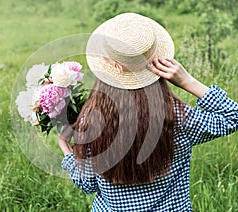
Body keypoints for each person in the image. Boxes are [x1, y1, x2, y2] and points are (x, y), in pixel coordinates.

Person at [57, 13, 238, 211]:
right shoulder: (178, 118)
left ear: (109, 69)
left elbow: (89, 184)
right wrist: (188, 82)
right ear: (159, 63)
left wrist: (64, 144)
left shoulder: (91, 120)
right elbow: (232, 116)